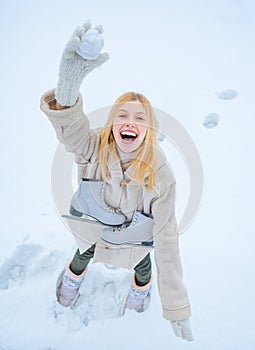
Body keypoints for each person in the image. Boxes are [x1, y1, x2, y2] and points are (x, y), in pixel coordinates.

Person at [40, 21, 193, 342]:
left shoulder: (162, 175)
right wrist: (69, 82)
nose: (130, 122)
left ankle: (140, 292)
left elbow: (167, 240)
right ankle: (72, 279)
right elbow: (70, 128)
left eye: (140, 118)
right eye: (123, 115)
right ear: (112, 125)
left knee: (143, 268)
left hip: (134, 245)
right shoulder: (92, 147)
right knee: (81, 256)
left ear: (148, 130)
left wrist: (176, 307)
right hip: (93, 233)